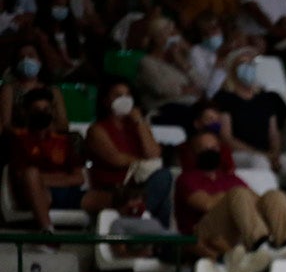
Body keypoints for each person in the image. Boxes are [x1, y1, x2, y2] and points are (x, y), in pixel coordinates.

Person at [175, 131, 286, 272]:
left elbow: (257, 202)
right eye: (204, 148)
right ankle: (260, 245)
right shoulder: (187, 178)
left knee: (274, 196)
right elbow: (206, 205)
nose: (211, 152)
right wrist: (231, 197)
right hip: (203, 234)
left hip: (235, 231)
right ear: (194, 152)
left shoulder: (230, 178)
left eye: (214, 147)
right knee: (238, 194)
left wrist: (228, 197)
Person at [85, 77, 173, 227]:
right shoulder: (97, 129)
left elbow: (154, 154)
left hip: (140, 186)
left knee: (164, 185)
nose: (124, 100)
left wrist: (139, 122)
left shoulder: (139, 126)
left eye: (127, 95)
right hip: (115, 189)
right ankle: (137, 223)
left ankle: (143, 229)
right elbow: (116, 159)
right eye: (118, 95)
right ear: (106, 100)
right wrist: (142, 161)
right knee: (163, 184)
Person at [8, 88, 97, 235]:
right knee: (31, 174)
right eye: (37, 109)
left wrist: (43, 179)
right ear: (27, 112)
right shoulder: (19, 140)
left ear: (53, 112)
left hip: (70, 194)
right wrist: (60, 179)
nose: (42, 113)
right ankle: (47, 233)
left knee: (115, 198)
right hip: (40, 195)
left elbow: (79, 178)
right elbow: (24, 178)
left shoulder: (66, 140)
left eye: (46, 109)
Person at [215, 48, 286, 174]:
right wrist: (262, 155)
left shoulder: (265, 97)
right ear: (232, 68)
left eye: (251, 63)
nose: (248, 67)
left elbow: (274, 133)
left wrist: (275, 154)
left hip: (267, 154)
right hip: (239, 154)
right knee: (259, 162)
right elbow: (226, 138)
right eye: (243, 63)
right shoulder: (223, 98)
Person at [0, 42, 68, 134]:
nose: (26, 59)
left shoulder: (53, 90)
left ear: (40, 61)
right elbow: (5, 124)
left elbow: (63, 123)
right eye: (21, 57)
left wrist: (46, 131)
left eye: (31, 55)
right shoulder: (9, 89)